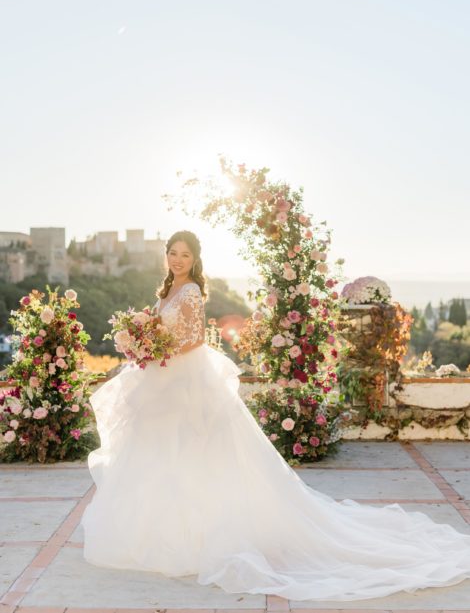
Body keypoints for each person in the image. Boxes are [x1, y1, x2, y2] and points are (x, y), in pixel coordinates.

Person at [81, 229, 470, 602]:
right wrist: (143, 340)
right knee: (159, 450)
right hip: (163, 374)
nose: (178, 259)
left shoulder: (192, 291)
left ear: (195, 260)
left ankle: (200, 530)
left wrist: (156, 348)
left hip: (185, 376)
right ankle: (160, 526)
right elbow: (164, 328)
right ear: (166, 256)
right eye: (173, 253)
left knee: (194, 447)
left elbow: (196, 337)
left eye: (185, 254)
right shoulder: (165, 290)